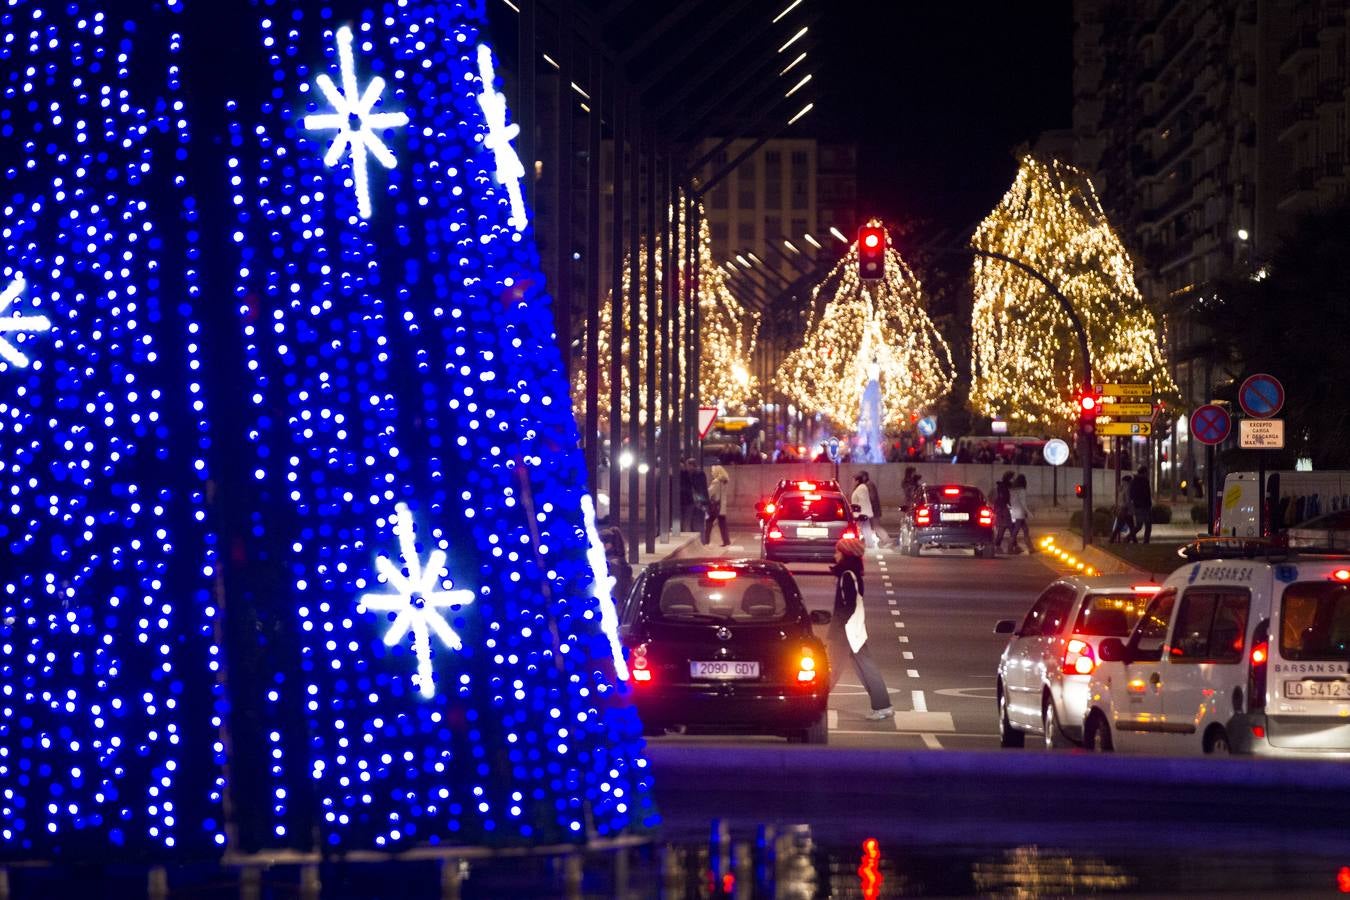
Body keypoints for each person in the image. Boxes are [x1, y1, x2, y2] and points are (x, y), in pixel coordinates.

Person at [828, 537, 893, 721]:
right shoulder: (851, 573)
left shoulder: (847, 575)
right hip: (853, 629)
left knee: (830, 669)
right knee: (865, 666)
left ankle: (810, 705)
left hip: (846, 630)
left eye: (838, 551)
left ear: (845, 554)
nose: (835, 555)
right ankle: (883, 705)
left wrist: (838, 630)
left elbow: (848, 605)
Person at [702, 464, 730, 547]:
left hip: (715, 506)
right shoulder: (725, 481)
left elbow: (709, 492)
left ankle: (706, 540)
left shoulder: (716, 481)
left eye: (713, 471)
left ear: (717, 472)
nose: (712, 473)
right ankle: (726, 541)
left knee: (708, 522)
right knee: (722, 524)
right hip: (722, 506)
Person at [679, 458, 709, 534]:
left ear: (692, 465)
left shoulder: (698, 474)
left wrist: (702, 502)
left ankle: (701, 540)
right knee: (694, 522)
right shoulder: (688, 474)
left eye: (687, 465)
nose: (686, 467)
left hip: (696, 501)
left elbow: (700, 489)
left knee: (697, 522)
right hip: (694, 501)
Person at [850, 473, 877, 549]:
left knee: (858, 529)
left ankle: (857, 544)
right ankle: (869, 544)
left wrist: (860, 513)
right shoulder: (861, 487)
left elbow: (863, 501)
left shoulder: (861, 488)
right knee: (866, 529)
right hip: (862, 513)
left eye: (853, 480)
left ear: (857, 481)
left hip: (861, 513)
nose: (852, 482)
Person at [1128, 465, 1154, 544]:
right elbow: (1147, 494)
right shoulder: (1145, 481)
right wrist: (1149, 504)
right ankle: (1146, 541)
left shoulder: (1133, 481)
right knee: (1148, 525)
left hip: (1137, 506)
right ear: (1144, 472)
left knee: (1139, 525)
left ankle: (1128, 537)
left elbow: (1131, 494)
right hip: (1145, 506)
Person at [1009, 473, 1033, 553]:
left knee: (1025, 529)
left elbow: (1011, 501)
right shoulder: (1022, 490)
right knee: (1016, 531)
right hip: (1020, 512)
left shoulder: (1012, 490)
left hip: (1015, 511)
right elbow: (1023, 503)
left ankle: (1031, 548)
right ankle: (1010, 548)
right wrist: (1028, 512)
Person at [992, 471, 1014, 553]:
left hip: (1002, 509)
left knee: (1005, 527)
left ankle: (999, 545)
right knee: (1008, 527)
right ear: (1009, 478)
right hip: (1002, 509)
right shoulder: (1003, 487)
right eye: (1012, 478)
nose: (1013, 480)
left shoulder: (1003, 487)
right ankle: (1012, 546)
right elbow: (1003, 499)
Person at [1109, 475, 1135, 543]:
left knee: (1122, 526)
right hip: (1126, 510)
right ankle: (1111, 540)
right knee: (1127, 526)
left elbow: (1120, 500)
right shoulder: (1128, 488)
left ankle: (1135, 540)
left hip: (1121, 509)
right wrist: (1130, 508)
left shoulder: (1121, 488)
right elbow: (1128, 500)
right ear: (1129, 481)